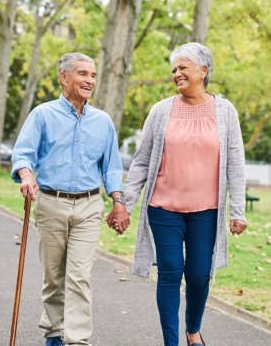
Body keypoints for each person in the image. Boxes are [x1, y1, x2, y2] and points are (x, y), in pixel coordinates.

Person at [115, 42, 248, 346]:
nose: (176, 74)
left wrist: (238, 211)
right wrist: (126, 204)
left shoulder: (225, 111)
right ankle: (172, 341)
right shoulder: (161, 111)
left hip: (207, 211)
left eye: (183, 67)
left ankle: (193, 330)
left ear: (204, 70)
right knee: (170, 273)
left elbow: (236, 163)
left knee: (200, 275)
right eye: (174, 69)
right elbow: (142, 161)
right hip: (164, 209)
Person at [11, 52, 130, 346]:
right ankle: (54, 332)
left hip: (89, 206)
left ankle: (76, 341)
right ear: (64, 77)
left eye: (92, 75)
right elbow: (23, 154)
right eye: (82, 74)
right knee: (54, 277)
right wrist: (27, 176)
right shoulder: (42, 115)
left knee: (79, 276)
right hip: (51, 203)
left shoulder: (102, 122)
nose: (89, 80)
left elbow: (112, 166)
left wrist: (118, 201)